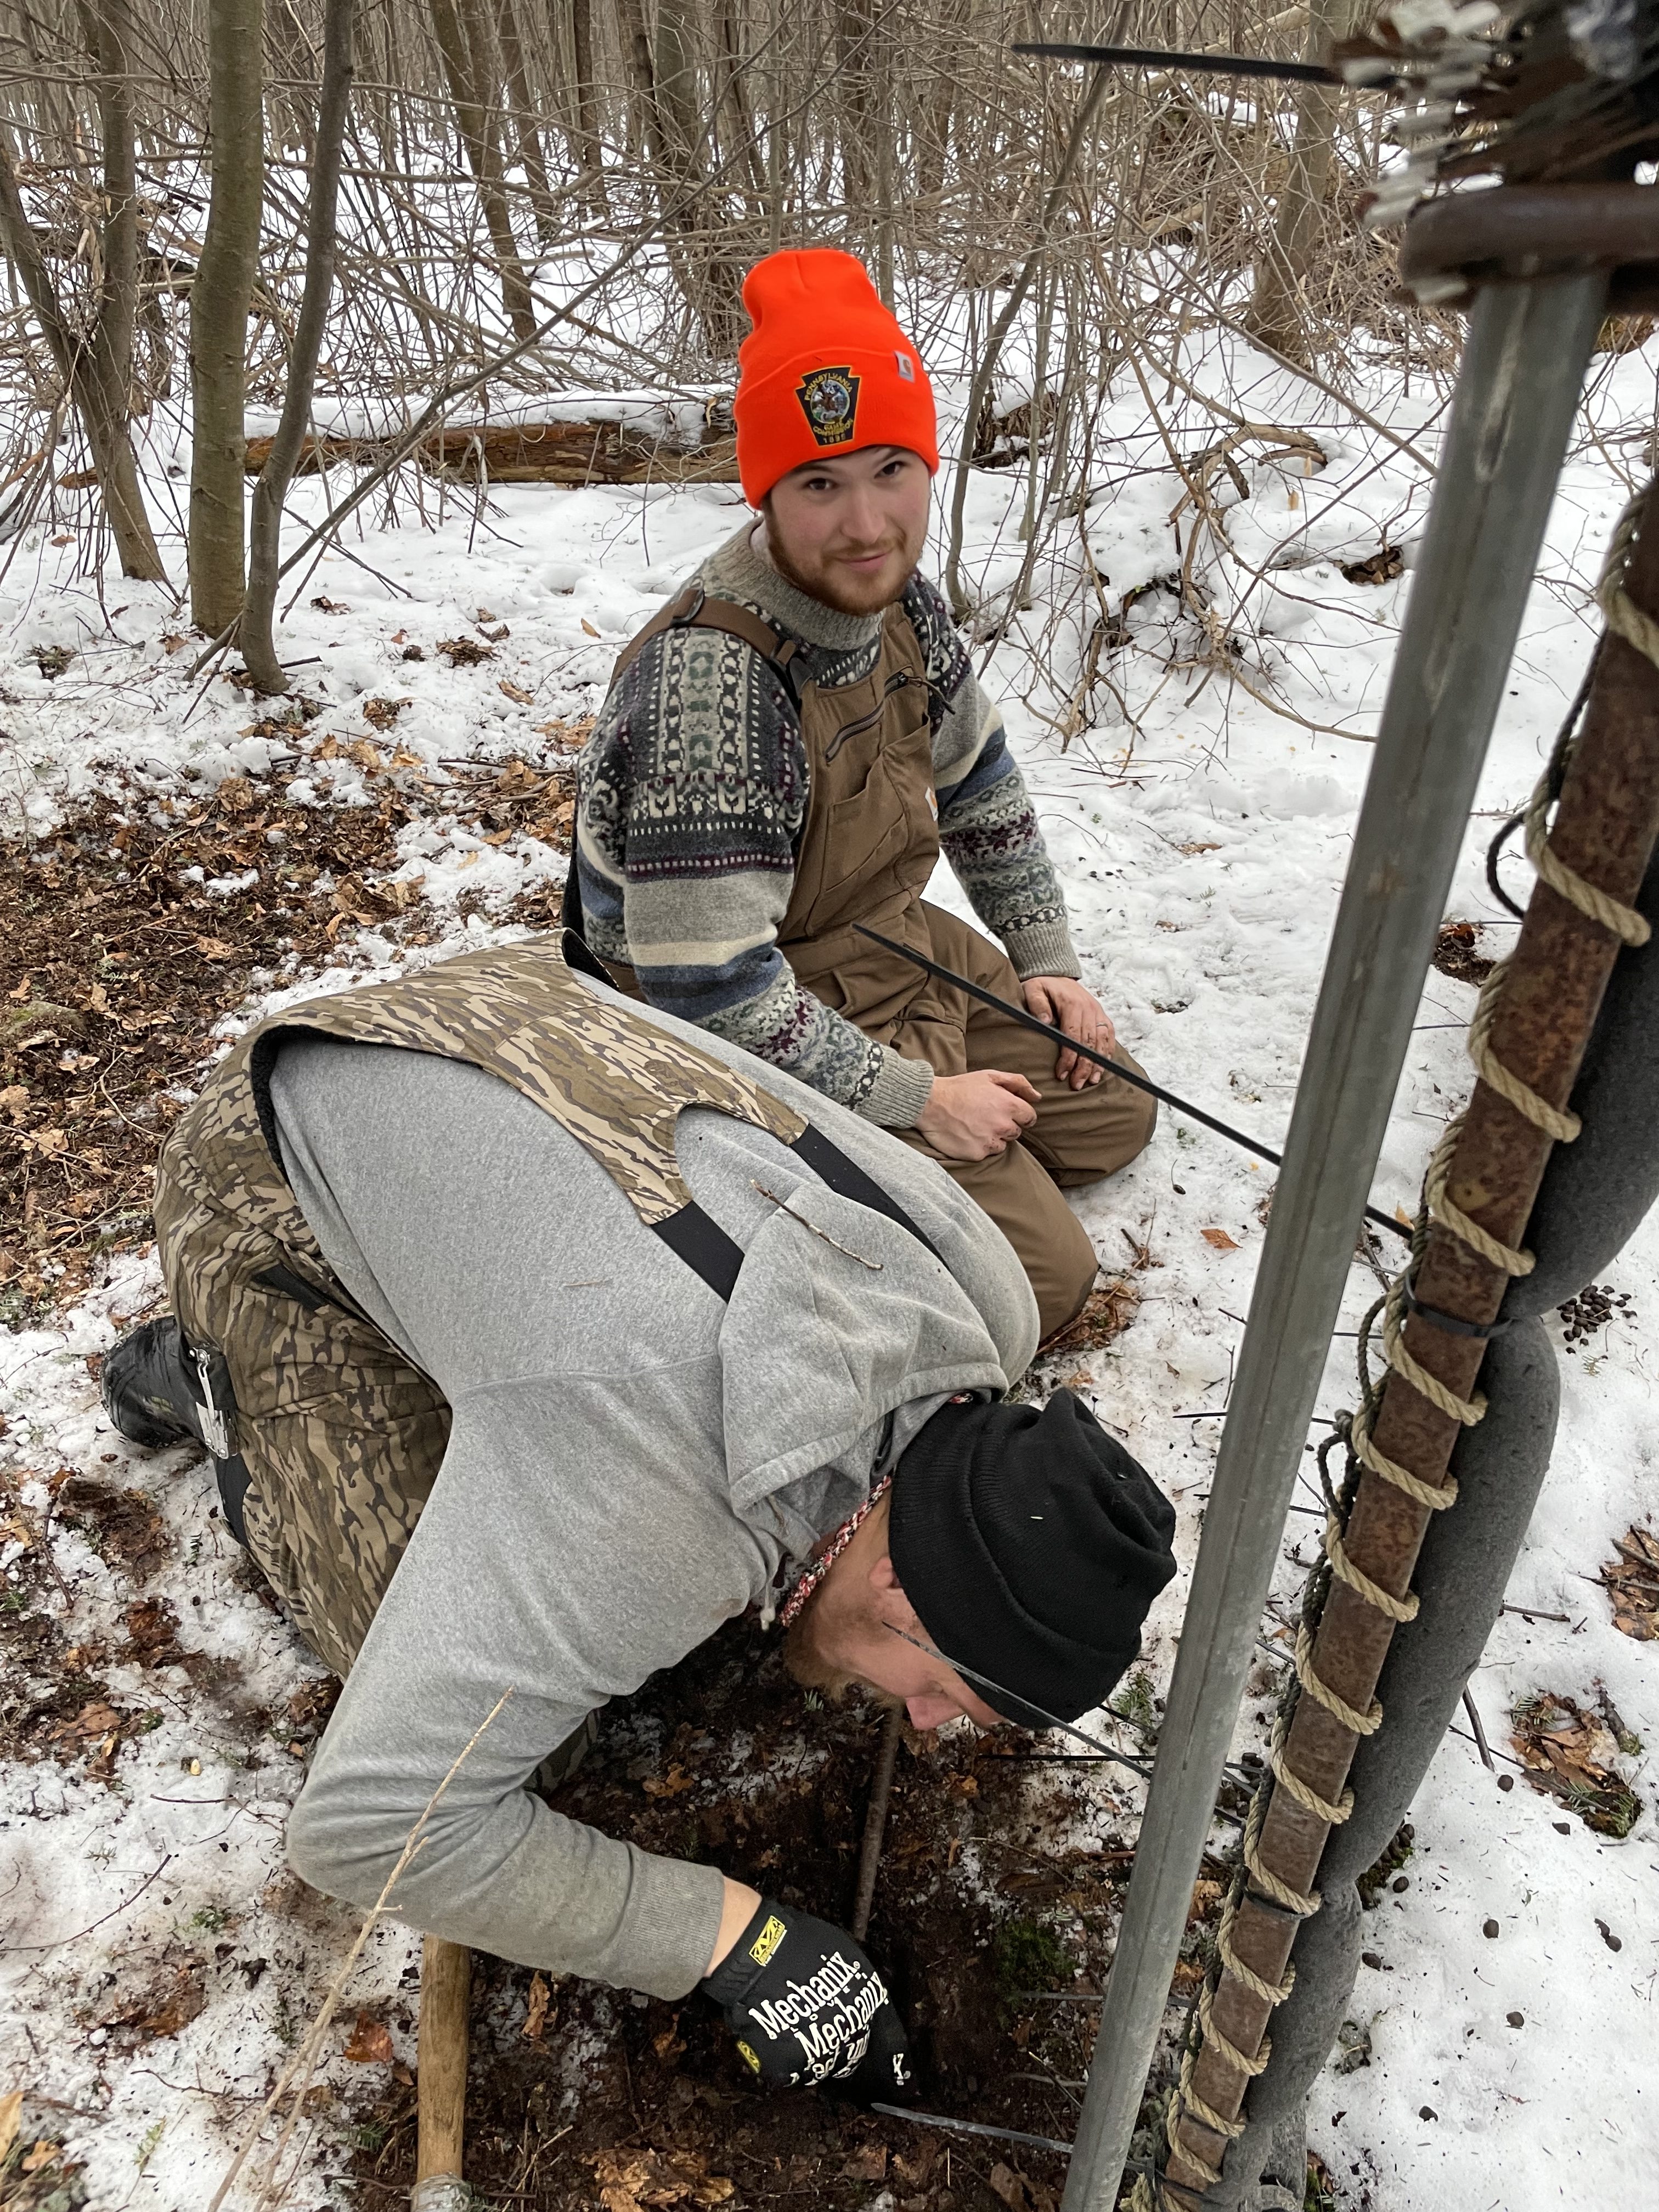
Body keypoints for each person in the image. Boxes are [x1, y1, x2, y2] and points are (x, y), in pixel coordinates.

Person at [103, 940, 1176, 2098]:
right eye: (941, 1691)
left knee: (544, 1424)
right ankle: (205, 1372)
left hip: (530, 1028)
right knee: (513, 1732)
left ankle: (479, 1368)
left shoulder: (987, 1304)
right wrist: (731, 1939)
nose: (918, 1722)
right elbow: (372, 1829)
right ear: (905, 1590)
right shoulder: (647, 1508)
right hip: (286, 1149)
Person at [569, 247, 1155, 1343]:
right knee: (1045, 1283)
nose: (867, 523)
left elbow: (980, 784)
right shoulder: (715, 684)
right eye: (820, 485)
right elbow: (707, 991)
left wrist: (1047, 964)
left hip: (881, 940)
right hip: (744, 1011)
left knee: (1113, 1114)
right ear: (768, 495)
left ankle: (938, 1159)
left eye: (891, 468)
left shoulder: (901, 605)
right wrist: (921, 1099)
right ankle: (859, 1188)